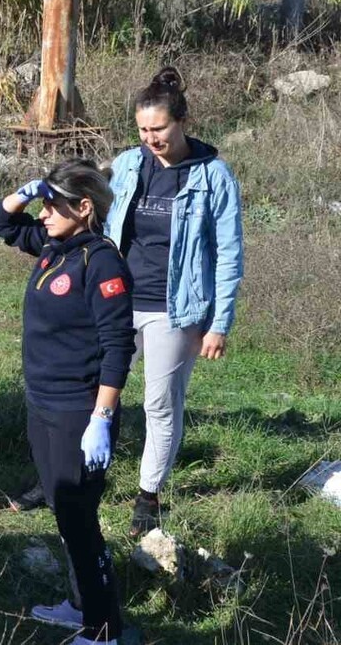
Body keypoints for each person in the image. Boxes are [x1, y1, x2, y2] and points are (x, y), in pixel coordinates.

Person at [0, 161, 135, 645]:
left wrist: (102, 417)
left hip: (79, 409)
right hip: (43, 403)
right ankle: (80, 606)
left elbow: (118, 347)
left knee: (80, 520)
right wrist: (25, 191)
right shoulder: (54, 248)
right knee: (62, 510)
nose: (44, 212)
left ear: (84, 207)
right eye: (44, 202)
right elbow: (2, 222)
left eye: (53, 204)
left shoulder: (101, 262)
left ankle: (104, 629)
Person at [105, 68, 244, 537]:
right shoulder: (127, 164)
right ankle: (74, 474)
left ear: (181, 121)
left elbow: (229, 254)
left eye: (159, 129)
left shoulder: (213, 176)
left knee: (160, 404)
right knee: (94, 390)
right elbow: (102, 225)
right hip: (118, 302)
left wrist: (218, 324)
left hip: (175, 311)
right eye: (143, 130)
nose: (151, 139)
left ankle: (148, 497)